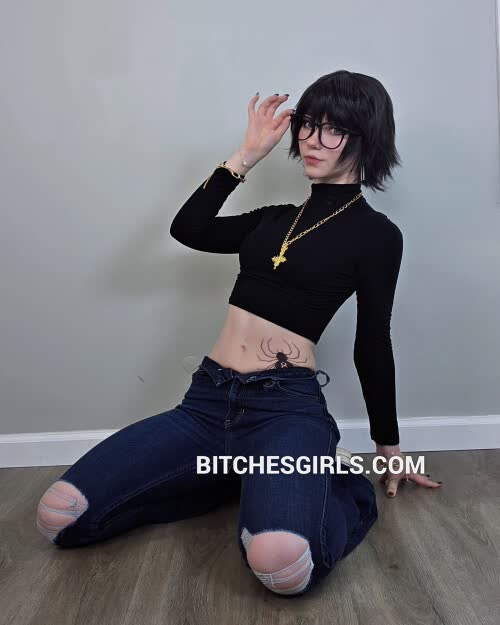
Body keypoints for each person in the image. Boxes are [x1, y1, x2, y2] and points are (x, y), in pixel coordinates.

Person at [36, 71, 441, 597]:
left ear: (367, 139)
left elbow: (373, 344)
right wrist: (246, 156)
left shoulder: (378, 236)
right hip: (205, 405)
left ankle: (341, 487)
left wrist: (390, 447)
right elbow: (189, 229)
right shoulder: (271, 220)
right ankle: (233, 478)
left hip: (285, 411)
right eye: (307, 125)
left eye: (333, 130)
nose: (313, 140)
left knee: (281, 566)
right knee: (59, 516)